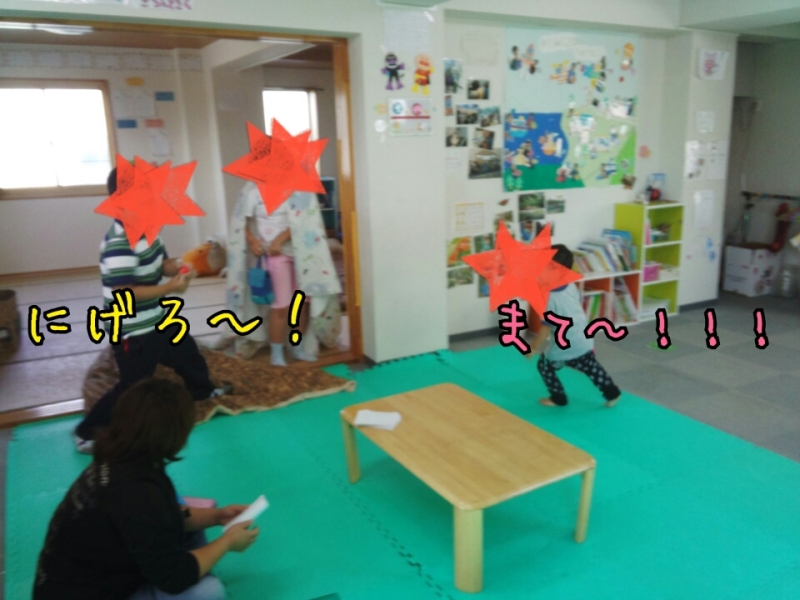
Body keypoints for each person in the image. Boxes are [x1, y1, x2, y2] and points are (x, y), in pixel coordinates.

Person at [34, 379, 259, 600]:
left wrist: (218, 516)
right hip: (90, 591)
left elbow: (165, 515)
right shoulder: (136, 493)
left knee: (187, 523)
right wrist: (228, 542)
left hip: (81, 574)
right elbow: (174, 577)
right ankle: (190, 568)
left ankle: (189, 565)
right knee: (208, 592)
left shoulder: (121, 458)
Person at [74, 167, 231, 453]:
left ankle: (202, 391)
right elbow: (125, 292)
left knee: (186, 350)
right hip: (131, 328)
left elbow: (162, 264)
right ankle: (88, 432)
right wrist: (170, 288)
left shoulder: (150, 228)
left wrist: (179, 268)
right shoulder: (119, 242)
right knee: (134, 384)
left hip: (156, 317)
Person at [528, 245, 621, 408]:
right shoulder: (571, 286)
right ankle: (612, 393)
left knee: (544, 366)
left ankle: (558, 398)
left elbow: (545, 330)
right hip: (583, 338)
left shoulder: (548, 299)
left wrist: (533, 348)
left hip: (565, 345)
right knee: (591, 368)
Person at [245, 192, 316, 367]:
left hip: (301, 250)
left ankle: (297, 348)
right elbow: (240, 222)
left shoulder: (296, 191)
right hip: (275, 255)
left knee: (301, 303)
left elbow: (303, 218)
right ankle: (276, 354)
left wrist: (280, 239)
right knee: (281, 305)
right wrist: (253, 241)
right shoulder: (253, 193)